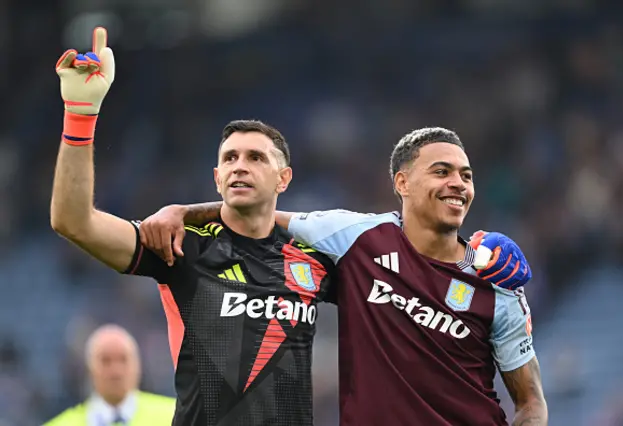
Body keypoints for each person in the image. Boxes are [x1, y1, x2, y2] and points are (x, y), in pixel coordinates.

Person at [140, 127, 548, 425]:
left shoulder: (498, 279)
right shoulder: (356, 236)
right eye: (442, 171)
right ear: (401, 183)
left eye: (466, 175)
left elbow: (531, 404)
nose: (457, 183)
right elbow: (255, 211)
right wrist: (181, 212)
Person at [50, 28, 339, 425]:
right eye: (231, 158)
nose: (241, 164)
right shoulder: (181, 245)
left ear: (283, 178)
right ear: (218, 178)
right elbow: (73, 222)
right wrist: (80, 115)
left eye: (256, 157)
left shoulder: (315, 258)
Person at [44, 324, 175, 426]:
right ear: (89, 368)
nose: (115, 371)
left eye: (123, 360)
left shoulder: (175, 418)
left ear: (138, 366)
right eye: (105, 361)